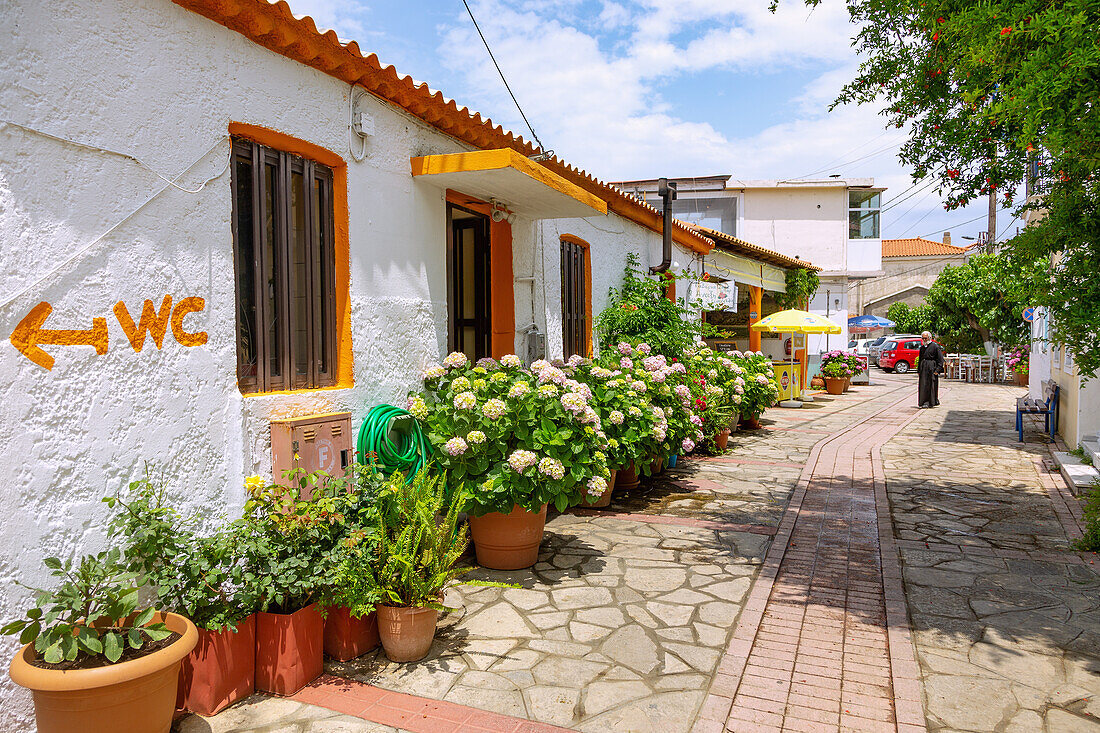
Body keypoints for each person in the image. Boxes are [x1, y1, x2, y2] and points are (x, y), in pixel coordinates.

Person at [917, 331, 945, 408]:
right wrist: (919, 370)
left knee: (931, 386)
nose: (924, 340)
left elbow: (940, 359)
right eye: (923, 338)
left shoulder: (935, 346)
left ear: (929, 338)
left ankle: (931, 402)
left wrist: (937, 370)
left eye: (925, 338)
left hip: (932, 368)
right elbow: (920, 359)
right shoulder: (922, 348)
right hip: (924, 369)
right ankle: (923, 402)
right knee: (923, 385)